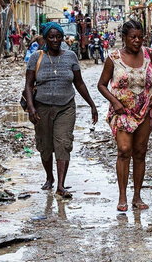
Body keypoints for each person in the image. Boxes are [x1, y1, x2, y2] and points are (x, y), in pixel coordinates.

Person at [24, 22, 99, 199]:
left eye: (59, 36)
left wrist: (92, 104)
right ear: (45, 38)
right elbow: (28, 85)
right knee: (45, 146)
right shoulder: (36, 57)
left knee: (63, 144)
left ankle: (61, 185)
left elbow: (79, 83)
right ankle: (49, 177)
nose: (56, 40)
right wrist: (31, 108)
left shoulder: (71, 56)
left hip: (66, 106)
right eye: (51, 37)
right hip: (42, 107)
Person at [97, 19, 152, 212]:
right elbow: (101, 84)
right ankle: (122, 196)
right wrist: (115, 102)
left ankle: (137, 196)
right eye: (133, 37)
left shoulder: (149, 55)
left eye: (140, 37)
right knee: (124, 150)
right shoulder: (114, 58)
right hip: (123, 111)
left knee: (140, 152)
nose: (137, 41)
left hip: (144, 111)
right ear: (124, 37)